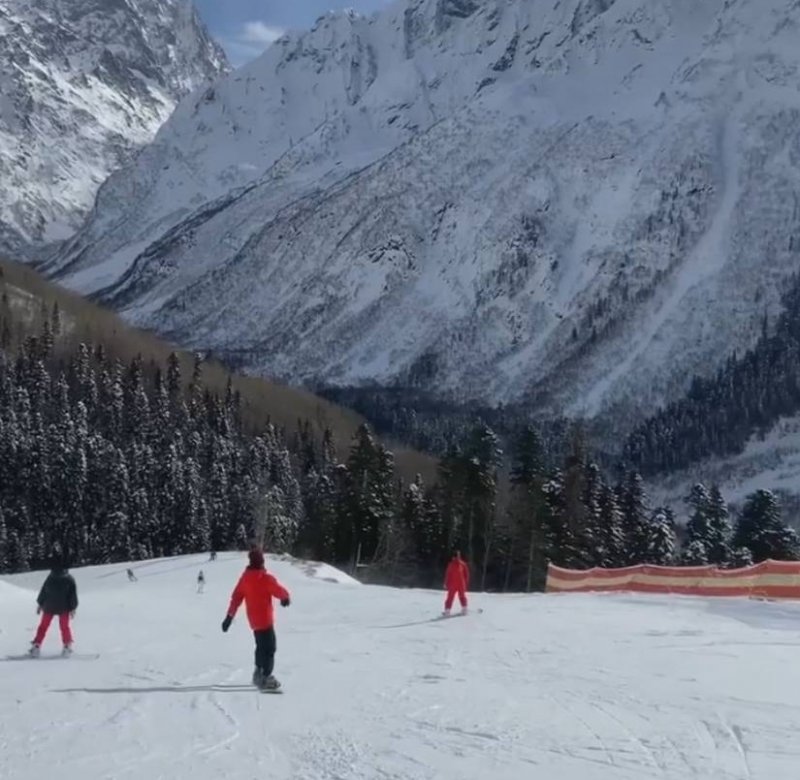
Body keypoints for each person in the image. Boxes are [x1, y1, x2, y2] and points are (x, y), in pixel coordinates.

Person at [221, 546, 291, 691]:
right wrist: (285, 597)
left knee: (260, 646)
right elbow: (278, 589)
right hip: (265, 619)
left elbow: (236, 598)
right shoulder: (264, 578)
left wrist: (229, 616)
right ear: (261, 562)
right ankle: (266, 677)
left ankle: (258, 672)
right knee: (270, 647)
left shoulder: (245, 579)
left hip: (253, 621)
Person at [30, 560, 79, 656]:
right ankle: (67, 646)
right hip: (64, 608)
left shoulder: (50, 578)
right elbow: (72, 595)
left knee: (43, 627)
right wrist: (73, 607)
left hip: (48, 607)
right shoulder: (69, 579)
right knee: (64, 627)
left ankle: (36, 646)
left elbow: (43, 591)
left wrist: (40, 604)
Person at [443, 550, 469, 615]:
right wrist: (465, 583)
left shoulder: (453, 564)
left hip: (454, 584)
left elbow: (448, 575)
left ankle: (448, 610)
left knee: (451, 597)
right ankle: (464, 608)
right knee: (461, 596)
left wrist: (446, 583)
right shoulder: (461, 564)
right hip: (459, 584)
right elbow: (466, 575)